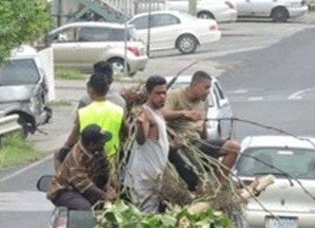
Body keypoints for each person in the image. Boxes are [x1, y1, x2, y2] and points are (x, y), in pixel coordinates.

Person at [163, 70, 240, 192]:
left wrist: (208, 143)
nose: (208, 91)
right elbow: (163, 114)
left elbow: (202, 124)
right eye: (206, 87)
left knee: (233, 147)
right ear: (194, 85)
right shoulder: (175, 95)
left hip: (198, 143)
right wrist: (184, 114)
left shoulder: (203, 102)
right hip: (182, 144)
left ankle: (219, 186)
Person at [123, 76, 170, 213]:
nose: (162, 97)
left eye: (164, 93)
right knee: (145, 218)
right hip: (143, 178)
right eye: (157, 93)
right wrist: (139, 124)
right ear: (148, 94)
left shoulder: (158, 113)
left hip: (154, 176)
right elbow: (141, 140)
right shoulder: (145, 113)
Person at [58, 71, 124, 165]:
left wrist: (65, 147)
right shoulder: (119, 111)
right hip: (112, 161)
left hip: (87, 161)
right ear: (107, 89)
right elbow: (126, 133)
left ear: (91, 90)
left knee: (58, 155)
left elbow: (72, 140)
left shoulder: (83, 113)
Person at [47, 124, 117, 211]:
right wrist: (104, 195)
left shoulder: (98, 151)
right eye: (101, 143)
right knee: (85, 208)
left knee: (103, 204)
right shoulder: (77, 157)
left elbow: (106, 168)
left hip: (83, 189)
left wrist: (112, 186)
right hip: (66, 189)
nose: (104, 144)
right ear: (92, 144)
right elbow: (83, 183)